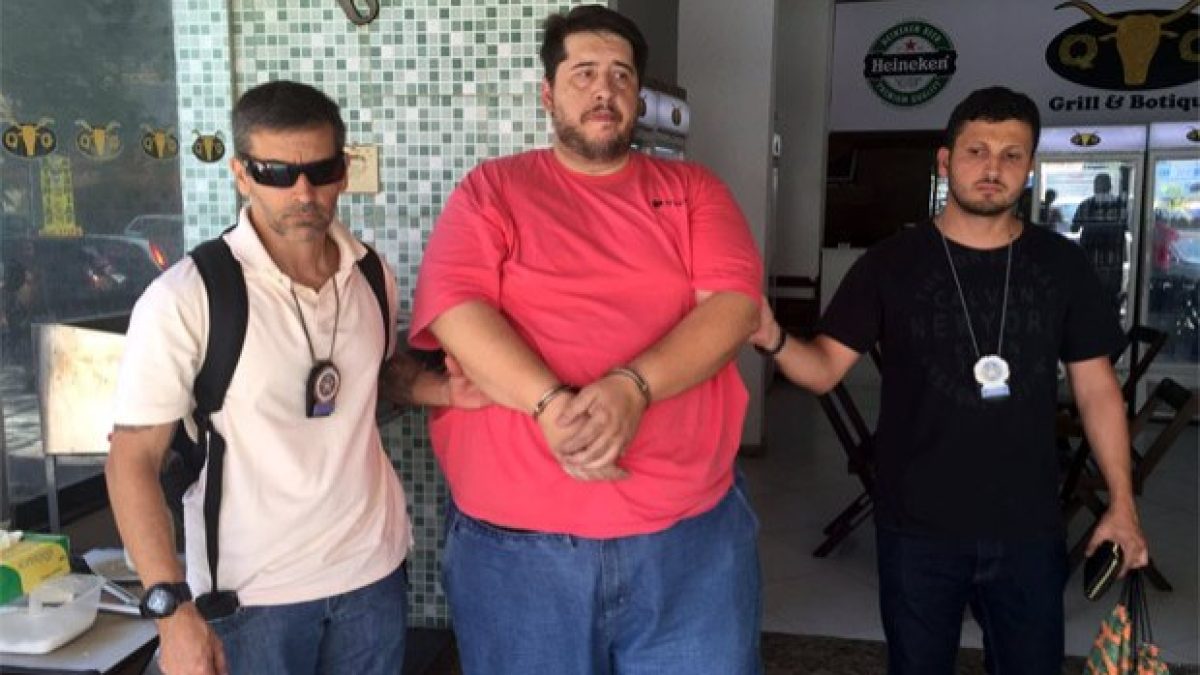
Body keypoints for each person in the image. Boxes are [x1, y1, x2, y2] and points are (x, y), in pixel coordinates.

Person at [408, 6, 764, 674]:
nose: (605, 90)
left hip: (686, 542)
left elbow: (735, 308)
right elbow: (456, 308)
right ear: (548, 94)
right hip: (518, 549)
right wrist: (549, 405)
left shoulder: (693, 191)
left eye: (622, 75)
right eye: (585, 73)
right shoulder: (492, 189)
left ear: (639, 95)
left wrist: (633, 389)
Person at [750, 86, 1148, 675]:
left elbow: (1097, 390)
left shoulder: (1061, 264)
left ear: (1029, 168)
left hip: (1028, 525)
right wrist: (773, 337)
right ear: (945, 161)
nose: (993, 168)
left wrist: (1122, 504)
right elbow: (825, 367)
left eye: (1011, 155)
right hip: (917, 525)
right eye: (976, 151)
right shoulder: (890, 263)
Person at [106, 80, 484, 675]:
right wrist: (170, 610)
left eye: (320, 170)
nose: (303, 192)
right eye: (276, 173)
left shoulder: (369, 273)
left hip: (371, 578)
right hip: (249, 597)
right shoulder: (188, 296)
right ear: (241, 174)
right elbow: (131, 460)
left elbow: (374, 375)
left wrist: (440, 389)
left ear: (344, 169)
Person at [1072, 173, 1129, 310]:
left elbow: (1074, 228)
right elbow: (1129, 227)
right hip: (1114, 262)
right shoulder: (1121, 206)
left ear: (1095, 187)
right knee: (1111, 300)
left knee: (1090, 300)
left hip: (1090, 262)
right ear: (1110, 186)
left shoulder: (1086, 205)